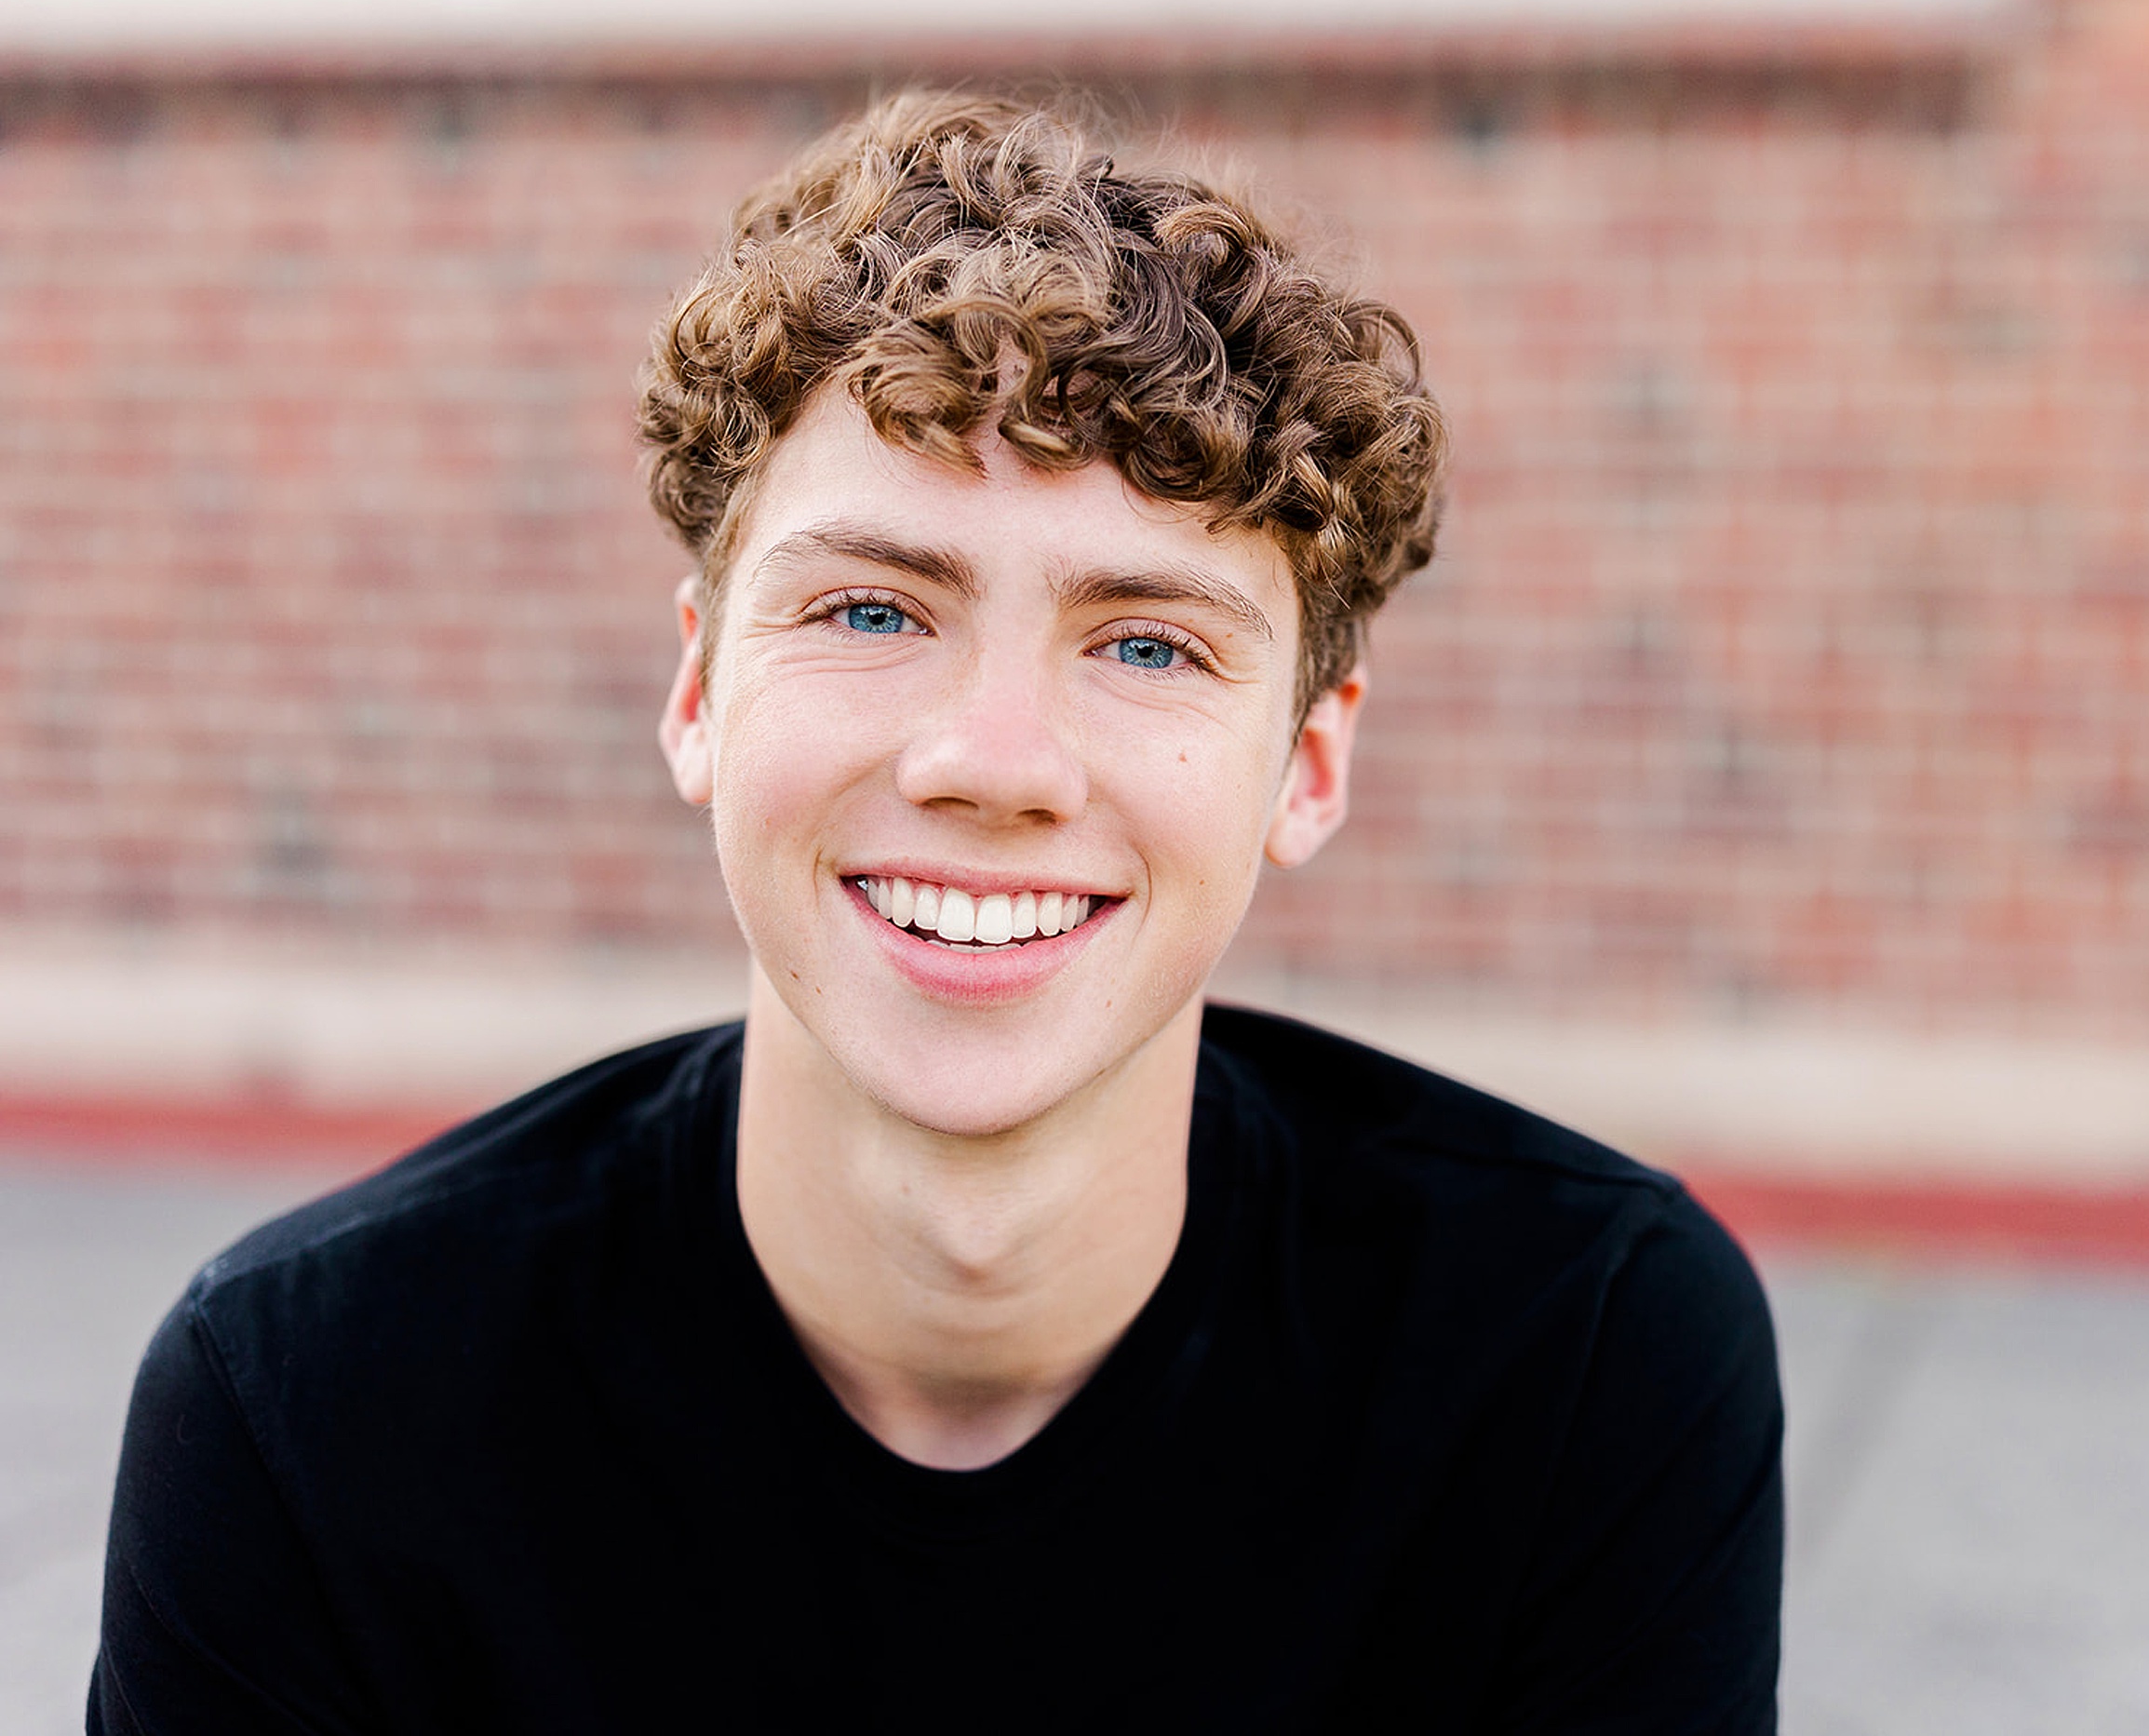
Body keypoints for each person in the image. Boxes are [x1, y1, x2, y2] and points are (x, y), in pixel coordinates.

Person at [90, 89, 1782, 1733]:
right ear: (697, 690)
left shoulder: (1584, 1362)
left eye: (1146, 643)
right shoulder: (306, 1409)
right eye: (873, 610)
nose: (995, 761)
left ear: (1306, 766)